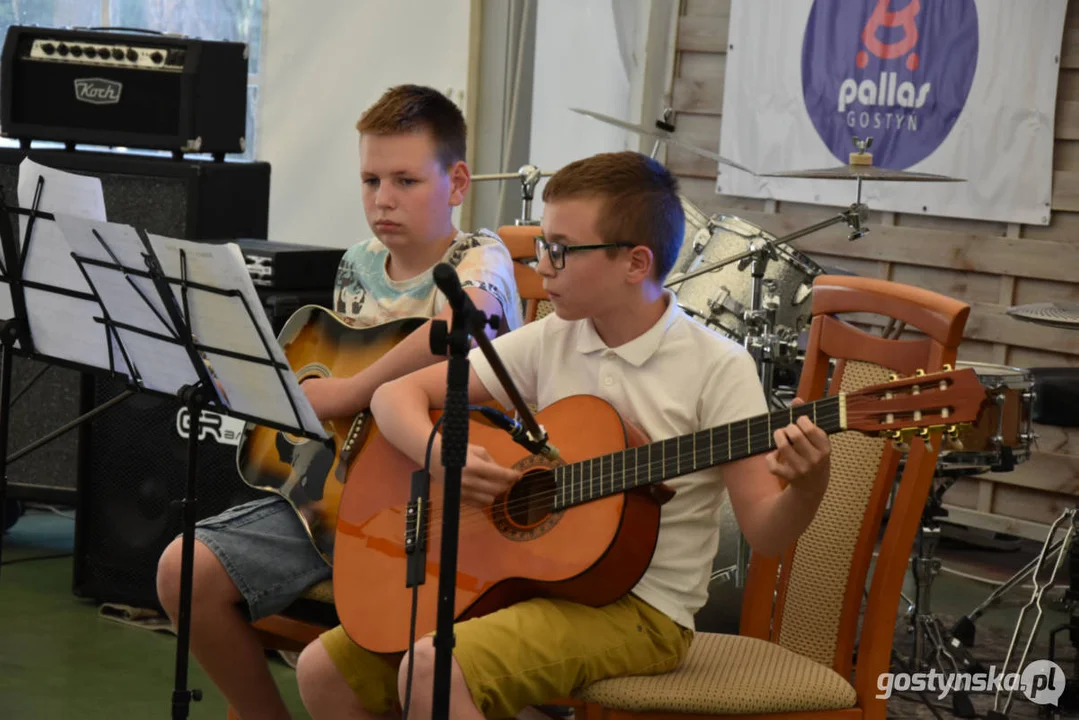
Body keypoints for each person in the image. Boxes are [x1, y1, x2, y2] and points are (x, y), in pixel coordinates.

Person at [294, 150, 833, 720]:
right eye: (541, 246)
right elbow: (393, 395)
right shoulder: (553, 336)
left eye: (560, 250)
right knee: (323, 671)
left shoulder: (717, 367)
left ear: (634, 262)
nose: (542, 267)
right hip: (535, 582)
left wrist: (808, 485)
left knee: (434, 666)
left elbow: (766, 534)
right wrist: (439, 455)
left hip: (642, 612)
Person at [155, 84, 524, 720]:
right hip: (335, 496)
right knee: (182, 569)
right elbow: (339, 361)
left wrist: (351, 391)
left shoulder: (480, 258)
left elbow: (463, 327)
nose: (383, 199)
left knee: (344, 654)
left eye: (406, 180)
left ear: (457, 182)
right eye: (370, 180)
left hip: (429, 513)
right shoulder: (357, 263)